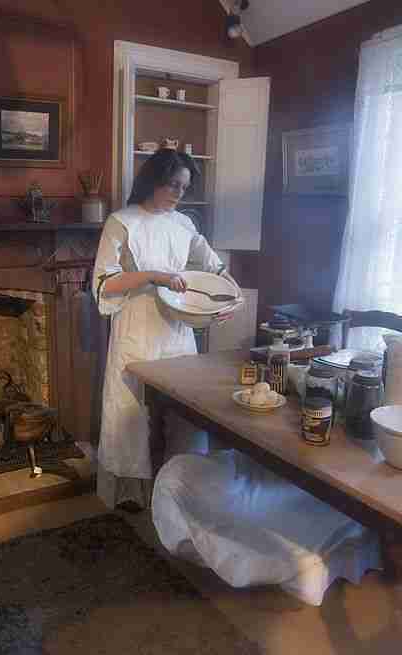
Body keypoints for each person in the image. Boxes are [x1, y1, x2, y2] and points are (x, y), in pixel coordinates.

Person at [92, 148, 235, 511]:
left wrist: (232, 300)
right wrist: (155, 276)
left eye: (184, 188)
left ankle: (179, 490)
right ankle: (132, 495)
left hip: (177, 329)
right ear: (152, 180)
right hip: (136, 328)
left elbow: (216, 269)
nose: (177, 193)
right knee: (130, 411)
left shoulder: (184, 224)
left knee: (184, 410)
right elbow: (104, 284)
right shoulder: (121, 221)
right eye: (172, 184)